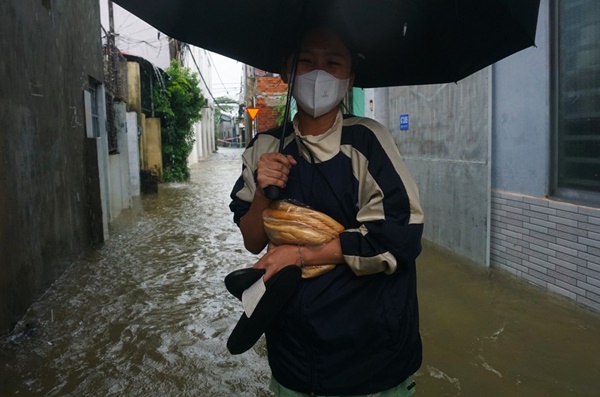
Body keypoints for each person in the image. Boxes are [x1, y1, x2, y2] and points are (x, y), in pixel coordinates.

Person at [229, 24, 425, 397]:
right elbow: (254, 242)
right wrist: (261, 197)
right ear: (287, 72)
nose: (318, 74)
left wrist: (300, 254)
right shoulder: (265, 146)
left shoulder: (367, 141)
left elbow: (400, 236)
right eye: (305, 61)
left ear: (350, 77)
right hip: (294, 357)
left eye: (333, 63)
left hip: (372, 357)